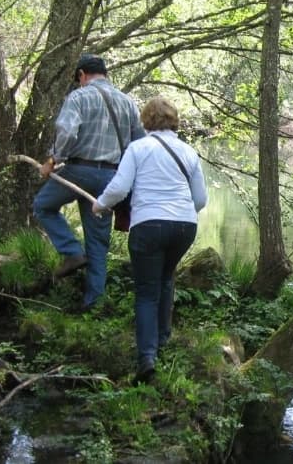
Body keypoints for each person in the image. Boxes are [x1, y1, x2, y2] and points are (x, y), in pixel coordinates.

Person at [93, 96, 207, 383]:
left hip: (148, 226)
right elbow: (201, 200)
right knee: (166, 277)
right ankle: (163, 339)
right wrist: (177, 213)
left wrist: (99, 204)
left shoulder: (138, 148)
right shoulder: (189, 152)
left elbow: (119, 188)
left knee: (146, 290)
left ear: (146, 120)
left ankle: (146, 358)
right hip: (184, 227)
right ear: (174, 120)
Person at [34, 54, 145, 312]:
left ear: (82, 75)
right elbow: (138, 143)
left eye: (78, 79)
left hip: (78, 171)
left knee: (43, 206)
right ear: (105, 74)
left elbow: (68, 131)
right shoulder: (127, 102)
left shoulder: (78, 97)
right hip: (111, 180)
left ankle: (71, 251)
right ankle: (93, 306)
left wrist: (53, 159)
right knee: (97, 244)